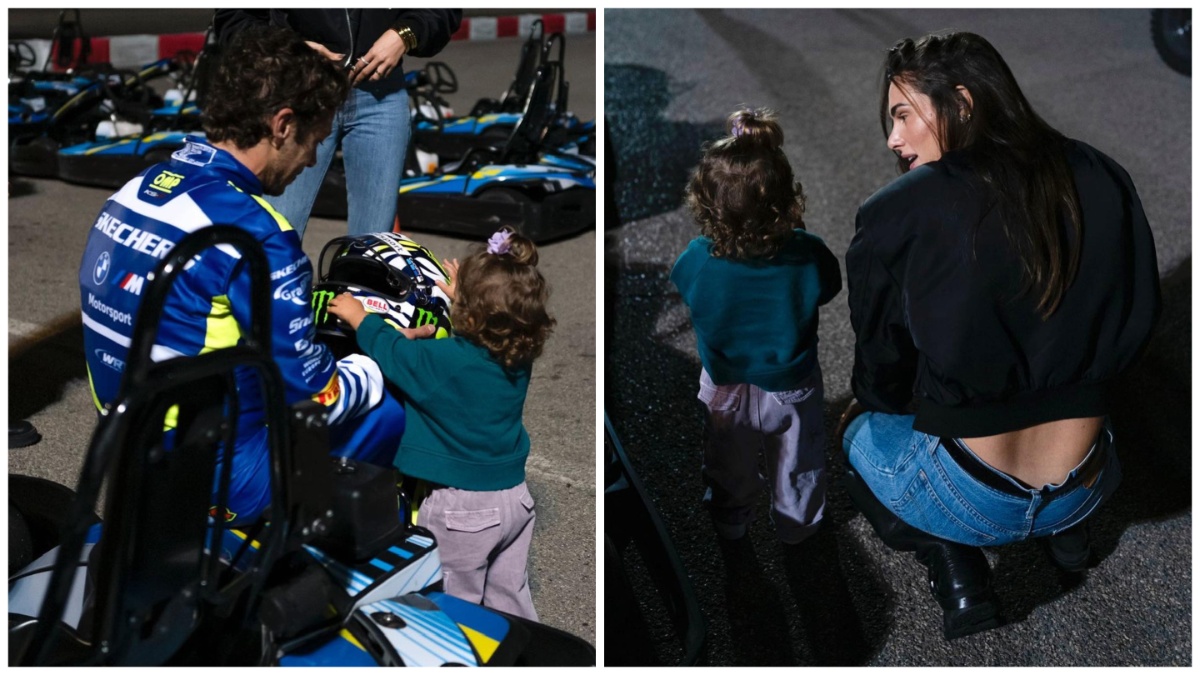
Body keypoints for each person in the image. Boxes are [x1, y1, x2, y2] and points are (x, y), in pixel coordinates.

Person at [840, 32, 1161, 640]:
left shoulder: (898, 209)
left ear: (961, 103)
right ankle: (1067, 536)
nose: (893, 139)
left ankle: (951, 561)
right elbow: (1139, 314)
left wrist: (895, 398)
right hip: (1088, 484)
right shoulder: (1100, 171)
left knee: (857, 429)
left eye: (903, 115)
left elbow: (881, 368)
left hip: (969, 496)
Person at [78, 26, 425, 526]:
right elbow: (318, 395)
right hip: (210, 474)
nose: (312, 159)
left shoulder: (136, 189)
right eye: (315, 140)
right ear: (283, 124)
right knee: (394, 400)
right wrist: (381, 359)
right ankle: (320, 548)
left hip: (122, 445)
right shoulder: (259, 235)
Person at [326, 226, 554, 620]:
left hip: (463, 510)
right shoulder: (519, 354)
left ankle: (457, 649)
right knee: (509, 593)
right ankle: (526, 646)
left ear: (471, 315)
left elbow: (392, 350)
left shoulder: (444, 361)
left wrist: (360, 316)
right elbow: (493, 321)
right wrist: (464, 297)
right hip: (515, 498)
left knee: (451, 601)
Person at [670, 109, 842, 545]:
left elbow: (684, 288)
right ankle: (798, 527)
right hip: (791, 383)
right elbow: (828, 288)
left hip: (725, 385)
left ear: (706, 202)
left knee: (728, 461)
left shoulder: (698, 259)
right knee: (798, 462)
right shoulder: (807, 252)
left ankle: (732, 521)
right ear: (786, 198)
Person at [214, 9, 463, 240]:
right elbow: (234, 17)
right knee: (275, 233)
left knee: (372, 245)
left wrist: (405, 34)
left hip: (381, 96)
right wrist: (288, 49)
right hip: (300, 95)